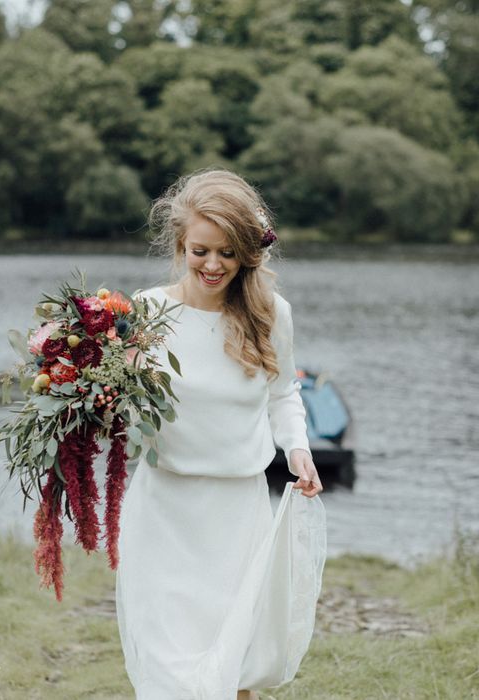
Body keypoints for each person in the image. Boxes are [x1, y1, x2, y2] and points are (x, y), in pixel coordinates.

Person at [116, 168, 327, 700]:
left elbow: (283, 394)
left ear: (248, 253)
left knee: (233, 661)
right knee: (170, 667)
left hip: (237, 511)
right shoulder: (145, 313)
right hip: (165, 510)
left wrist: (298, 449)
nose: (213, 265)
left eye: (228, 253)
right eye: (200, 251)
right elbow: (123, 411)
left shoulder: (269, 314)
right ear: (180, 245)